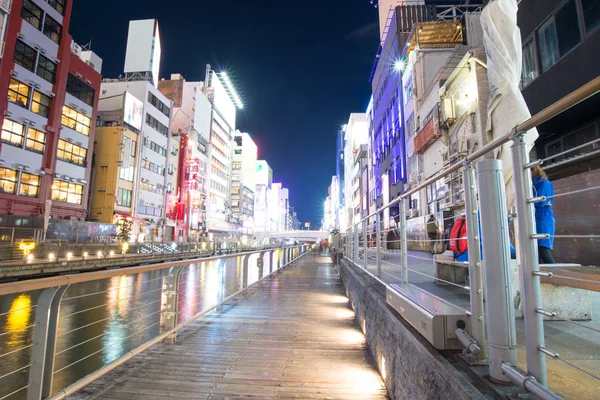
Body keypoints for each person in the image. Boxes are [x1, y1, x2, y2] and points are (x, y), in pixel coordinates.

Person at [532, 165, 556, 264]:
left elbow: (541, 201)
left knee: (543, 249)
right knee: (536, 250)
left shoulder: (544, 183)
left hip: (544, 218)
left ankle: (556, 273)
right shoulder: (534, 184)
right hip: (537, 218)